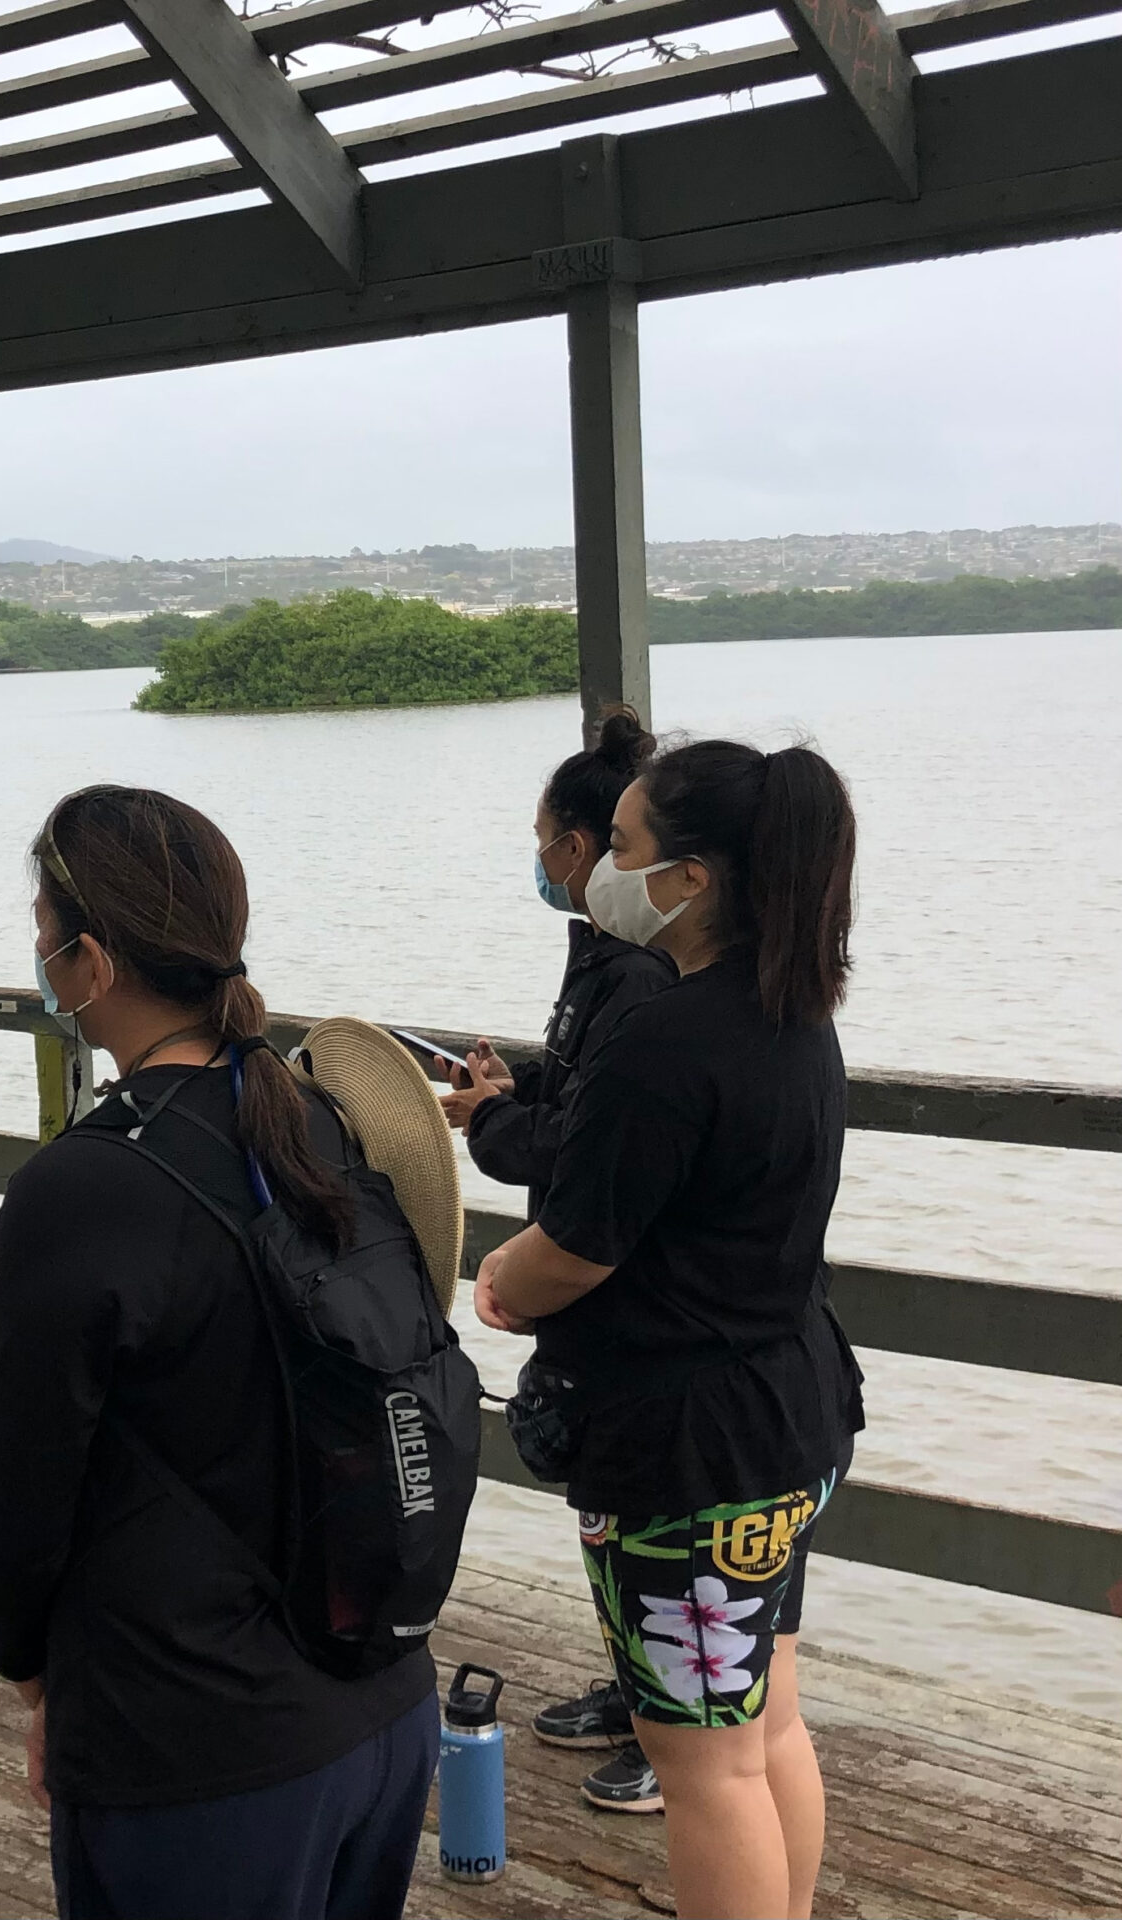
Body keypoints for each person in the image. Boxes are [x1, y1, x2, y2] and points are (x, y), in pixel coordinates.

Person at [0, 785, 439, 1920]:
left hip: (196, 1746)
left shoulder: (81, 1187)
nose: (37, 957)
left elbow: (17, 1489)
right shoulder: (315, 1122)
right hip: (377, 1708)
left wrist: (33, 1674)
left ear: (88, 964)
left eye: (41, 932)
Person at [472, 740, 866, 1920]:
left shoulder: (666, 1038)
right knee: (765, 1725)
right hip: (792, 1416)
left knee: (703, 1769)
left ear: (689, 878)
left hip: (690, 1456)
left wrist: (500, 1274)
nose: (605, 868)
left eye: (627, 849)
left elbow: (580, 1245)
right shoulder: (793, 1013)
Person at [437, 708, 676, 1815]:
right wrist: (513, 1088)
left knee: (647, 1520)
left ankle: (674, 1730)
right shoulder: (600, 960)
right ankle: (640, 1691)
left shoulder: (643, 981)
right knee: (612, 1513)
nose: (538, 859)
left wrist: (491, 1124)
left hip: (638, 1314)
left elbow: (599, 1154)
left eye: (548, 839)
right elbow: (577, 1100)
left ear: (582, 848)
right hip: (602, 1328)